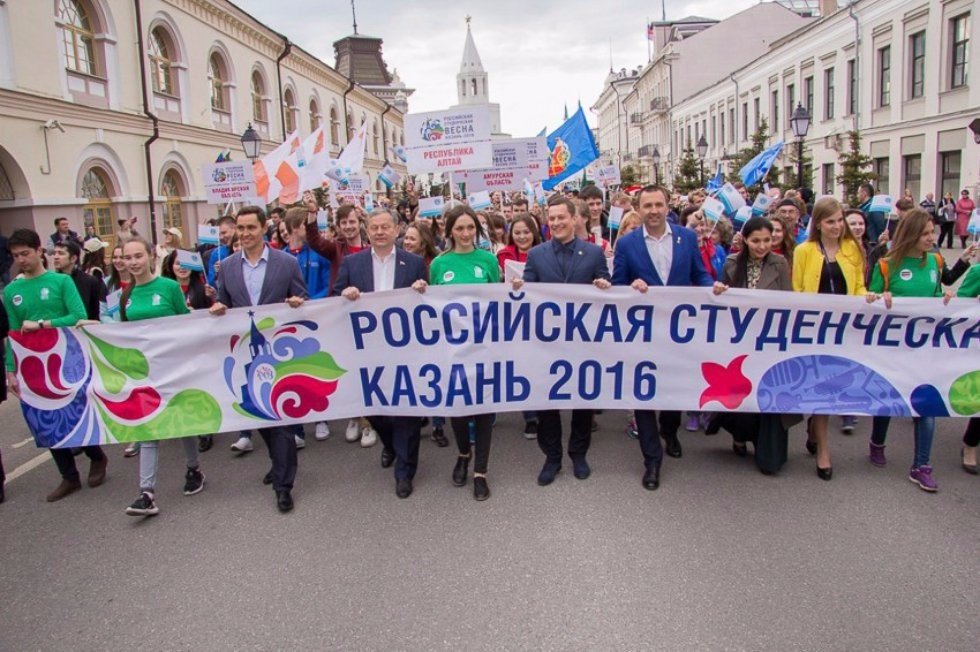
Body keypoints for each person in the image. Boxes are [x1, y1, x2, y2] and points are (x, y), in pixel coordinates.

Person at [612, 185, 713, 490]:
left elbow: (700, 275)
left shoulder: (685, 238)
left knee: (672, 390)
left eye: (658, 205)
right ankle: (651, 460)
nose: (653, 210)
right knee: (644, 395)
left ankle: (669, 431)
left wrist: (714, 288)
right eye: (647, 206)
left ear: (668, 207)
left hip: (678, 333)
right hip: (643, 333)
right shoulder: (628, 244)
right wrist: (633, 286)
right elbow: (618, 285)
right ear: (638, 209)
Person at [210, 206, 308, 513]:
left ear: (264, 228)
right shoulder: (225, 266)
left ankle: (284, 485)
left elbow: (302, 300)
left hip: (278, 351)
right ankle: (279, 463)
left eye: (251, 227)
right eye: (241, 228)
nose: (245, 233)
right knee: (258, 414)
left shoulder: (286, 262)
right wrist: (217, 307)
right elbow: (224, 301)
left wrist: (297, 303)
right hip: (244, 352)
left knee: (279, 418)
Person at [513, 197, 611, 486]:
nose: (555, 223)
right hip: (548, 342)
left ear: (574, 219)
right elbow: (528, 293)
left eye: (561, 218)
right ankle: (552, 457)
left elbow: (605, 287)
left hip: (583, 341)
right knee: (548, 401)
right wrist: (520, 288)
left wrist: (604, 286)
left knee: (583, 400)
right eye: (551, 219)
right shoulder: (536, 254)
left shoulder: (593, 253)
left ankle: (578, 454)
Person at [4, 229, 108, 501]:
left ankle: (96, 455)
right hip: (32, 364)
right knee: (43, 418)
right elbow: (12, 334)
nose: (21, 260)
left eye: (25, 253)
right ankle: (69, 476)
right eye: (16, 256)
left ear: (40, 251)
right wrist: (10, 370)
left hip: (65, 357)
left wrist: (42, 324)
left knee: (74, 411)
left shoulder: (61, 282)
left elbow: (78, 316)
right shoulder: (11, 291)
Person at [334, 209, 428, 498]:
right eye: (373, 227)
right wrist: (345, 295)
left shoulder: (413, 263)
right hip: (368, 352)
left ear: (397, 229)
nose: (379, 232)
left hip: (405, 351)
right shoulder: (352, 263)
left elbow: (427, 305)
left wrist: (423, 290)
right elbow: (335, 299)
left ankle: (405, 471)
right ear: (367, 230)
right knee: (376, 411)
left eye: (384, 227)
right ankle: (390, 444)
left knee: (407, 413)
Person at [108, 238, 206, 516]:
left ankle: (194, 469)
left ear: (151, 256)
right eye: (128, 257)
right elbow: (121, 332)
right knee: (148, 427)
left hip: (173, 368)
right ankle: (146, 492)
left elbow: (186, 324)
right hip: (144, 371)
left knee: (180, 423)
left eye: (139, 255)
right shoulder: (124, 295)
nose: (133, 262)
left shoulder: (169, 287)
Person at [866, 209, 955, 491]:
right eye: (925, 233)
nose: (931, 238)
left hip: (924, 349)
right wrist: (882, 297)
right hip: (892, 348)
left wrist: (947, 298)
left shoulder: (936, 262)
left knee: (926, 404)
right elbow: (870, 300)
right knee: (889, 398)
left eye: (933, 232)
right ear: (910, 234)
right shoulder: (886, 265)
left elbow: (934, 297)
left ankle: (921, 465)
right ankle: (877, 441)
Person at [793, 197, 871, 481]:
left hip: (844, 330)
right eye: (831, 221)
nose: (837, 226)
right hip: (815, 330)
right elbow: (797, 291)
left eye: (840, 220)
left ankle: (816, 426)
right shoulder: (804, 251)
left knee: (832, 387)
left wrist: (869, 297)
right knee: (821, 387)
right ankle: (824, 449)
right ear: (818, 224)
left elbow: (860, 286)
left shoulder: (853, 249)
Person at [710, 217, 793, 474]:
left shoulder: (780, 264)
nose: (762, 245)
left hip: (769, 340)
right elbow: (723, 298)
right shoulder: (733, 263)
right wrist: (719, 290)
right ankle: (739, 432)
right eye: (756, 240)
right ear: (745, 239)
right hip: (740, 339)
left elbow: (789, 300)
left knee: (766, 391)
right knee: (741, 390)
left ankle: (765, 445)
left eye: (767, 240)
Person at [429, 205, 500, 501]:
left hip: (483, 348)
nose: (466, 233)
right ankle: (462, 453)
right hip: (452, 349)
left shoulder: (488, 260)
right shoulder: (438, 264)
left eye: (471, 227)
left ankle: (480, 471)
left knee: (483, 408)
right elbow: (430, 308)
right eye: (459, 228)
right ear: (450, 232)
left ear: (477, 229)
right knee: (457, 406)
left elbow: (500, 302)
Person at [302, 194, 377, 448]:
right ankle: (354, 416)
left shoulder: (372, 247)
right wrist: (312, 213)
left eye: (352, 221)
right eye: (343, 222)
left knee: (369, 366)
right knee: (351, 367)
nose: (348, 226)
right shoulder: (335, 248)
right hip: (344, 315)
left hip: (371, 316)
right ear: (338, 226)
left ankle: (369, 422)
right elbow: (313, 240)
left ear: (360, 222)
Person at [161, 249, 217, 453]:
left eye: (185, 263)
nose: (182, 267)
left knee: (199, 385)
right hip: (173, 347)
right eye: (177, 263)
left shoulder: (202, 288)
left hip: (197, 345)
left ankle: (205, 428)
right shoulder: (164, 288)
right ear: (170, 266)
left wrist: (213, 298)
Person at [52, 240, 105, 321]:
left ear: (73, 258)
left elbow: (97, 313)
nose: (56, 257)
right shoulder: (51, 282)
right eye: (54, 253)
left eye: (61, 253)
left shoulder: (90, 282)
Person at [205, 215, 237, 286]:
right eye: (218, 235)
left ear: (235, 228)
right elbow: (212, 282)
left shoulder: (248, 247)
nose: (221, 237)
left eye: (224, 233)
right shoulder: (216, 254)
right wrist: (217, 273)